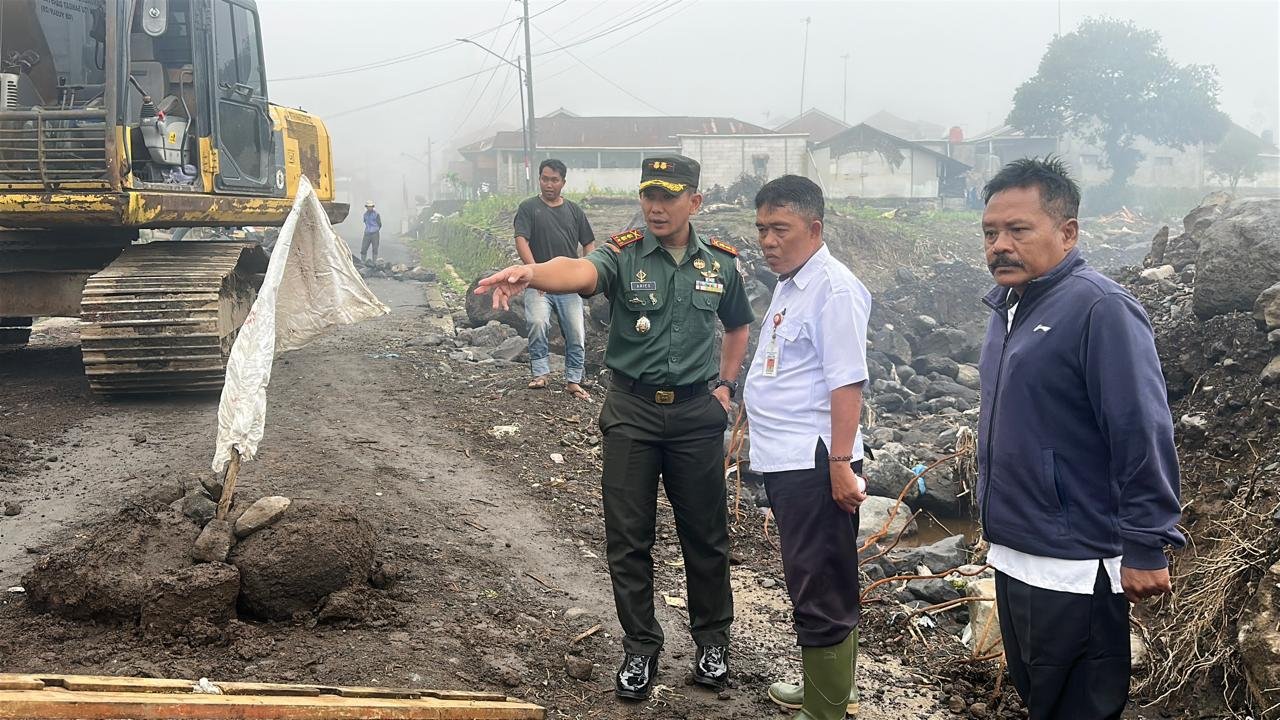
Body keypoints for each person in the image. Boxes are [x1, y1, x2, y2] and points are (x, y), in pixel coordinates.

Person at [476, 155, 754, 702]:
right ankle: (641, 646)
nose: (656, 205)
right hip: (632, 412)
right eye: (649, 194)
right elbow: (580, 272)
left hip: (698, 416)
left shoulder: (720, 265)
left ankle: (712, 642)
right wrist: (530, 272)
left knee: (706, 536)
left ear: (694, 202)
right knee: (628, 538)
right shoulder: (624, 254)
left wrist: (725, 386)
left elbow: (738, 323)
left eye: (669, 196)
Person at [977, 157, 1184, 719]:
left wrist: (1146, 543)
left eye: (1018, 229)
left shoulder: (1101, 309)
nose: (1000, 244)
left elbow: (1141, 430)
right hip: (1016, 552)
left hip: (1075, 562)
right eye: (991, 232)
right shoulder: (1009, 309)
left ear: (1067, 232)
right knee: (1040, 702)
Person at [743, 175, 871, 720]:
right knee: (810, 574)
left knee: (822, 582)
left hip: (817, 461)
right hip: (787, 459)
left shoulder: (834, 289)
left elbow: (848, 382)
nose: (768, 241)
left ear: (814, 228)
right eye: (762, 229)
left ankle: (826, 710)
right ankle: (826, 688)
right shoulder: (792, 281)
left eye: (780, 229)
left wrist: (840, 464)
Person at [514, 159, 596, 399]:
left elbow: (589, 243)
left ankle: (573, 380)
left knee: (576, 332)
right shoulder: (529, 208)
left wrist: (585, 270)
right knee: (538, 323)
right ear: (539, 179)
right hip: (538, 283)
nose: (549, 184)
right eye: (545, 179)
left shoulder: (574, 211)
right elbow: (521, 240)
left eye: (554, 180)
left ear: (563, 182)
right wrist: (536, 274)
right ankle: (540, 373)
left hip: (569, 285)